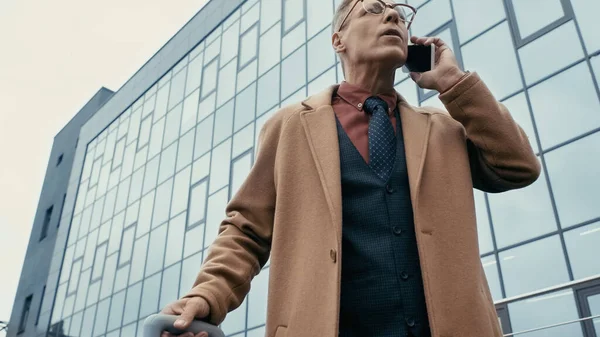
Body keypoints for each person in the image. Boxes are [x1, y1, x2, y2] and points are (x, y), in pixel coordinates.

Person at [161, 0, 541, 336]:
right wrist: (208, 295)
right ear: (338, 40)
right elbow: (246, 229)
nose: (393, 14)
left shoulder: (443, 128)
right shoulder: (291, 126)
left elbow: (519, 167)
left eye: (401, 14)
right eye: (374, 8)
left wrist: (452, 83)